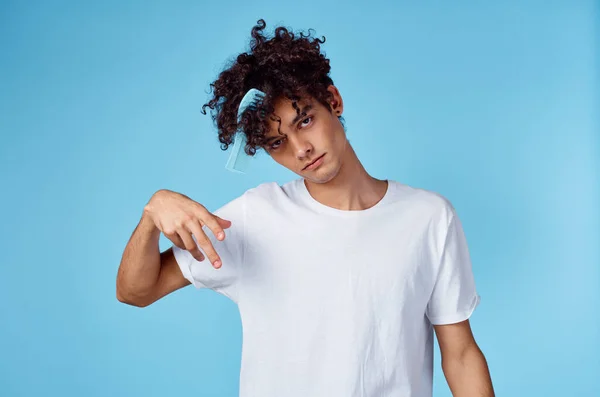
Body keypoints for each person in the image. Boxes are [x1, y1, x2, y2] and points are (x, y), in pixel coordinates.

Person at [116, 19, 495, 397]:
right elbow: (136, 291)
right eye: (278, 143)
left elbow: (460, 354)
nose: (301, 149)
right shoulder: (255, 217)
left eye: (306, 121)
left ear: (334, 101)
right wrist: (152, 214)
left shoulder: (429, 217)